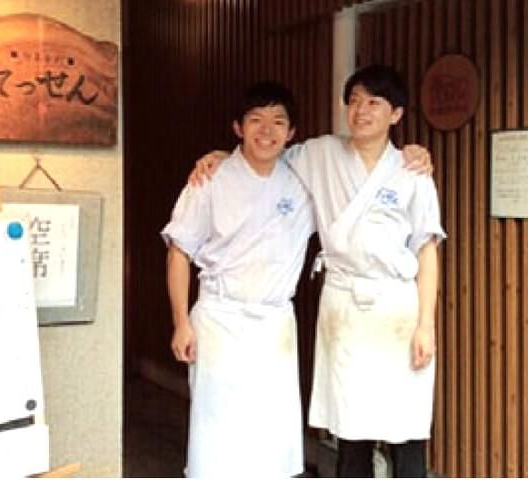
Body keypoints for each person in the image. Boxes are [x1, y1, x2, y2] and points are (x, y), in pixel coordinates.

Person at [190, 65, 445, 477]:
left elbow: (427, 250)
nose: (361, 111)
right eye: (354, 101)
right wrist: (221, 157)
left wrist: (426, 326)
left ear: (396, 114)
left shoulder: (413, 172)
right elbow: (264, 153)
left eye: (374, 102)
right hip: (343, 306)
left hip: (396, 308)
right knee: (350, 427)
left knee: (405, 427)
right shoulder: (320, 153)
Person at [161, 81, 315, 478]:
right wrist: (181, 323)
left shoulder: (303, 181)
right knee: (217, 433)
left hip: (274, 324)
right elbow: (179, 251)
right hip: (220, 320)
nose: (267, 131)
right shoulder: (210, 179)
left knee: (272, 436)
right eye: (256, 120)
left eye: (278, 121)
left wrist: (414, 155)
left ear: (292, 133)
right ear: (238, 127)